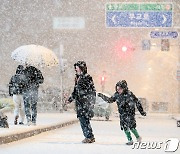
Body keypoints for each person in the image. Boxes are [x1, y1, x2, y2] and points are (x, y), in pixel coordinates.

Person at [98, 80, 146, 145]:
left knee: (131, 127)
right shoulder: (117, 95)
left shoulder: (129, 94)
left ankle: (138, 137)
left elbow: (137, 102)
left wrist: (142, 111)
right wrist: (102, 96)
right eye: (117, 88)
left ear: (124, 88)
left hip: (130, 113)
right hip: (122, 114)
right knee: (125, 127)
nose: (118, 90)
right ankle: (130, 140)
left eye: (120, 88)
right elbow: (110, 100)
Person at [68, 61, 96, 143]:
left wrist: (91, 102)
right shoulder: (77, 78)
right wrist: (71, 98)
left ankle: (89, 136)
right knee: (82, 119)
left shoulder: (87, 77)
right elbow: (75, 90)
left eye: (77, 67)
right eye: (75, 67)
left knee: (84, 120)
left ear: (81, 68)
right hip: (79, 102)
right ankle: (89, 136)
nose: (75, 69)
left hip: (85, 102)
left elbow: (92, 91)